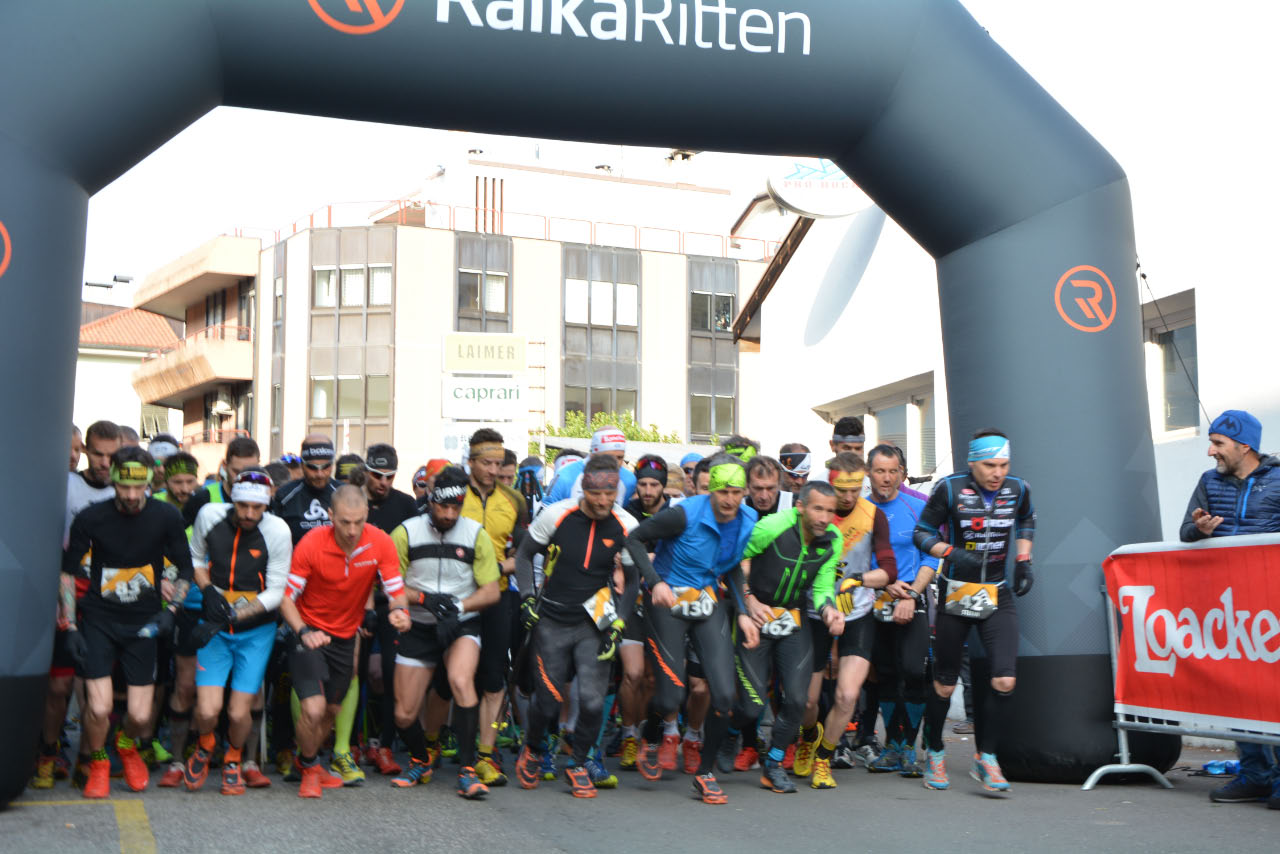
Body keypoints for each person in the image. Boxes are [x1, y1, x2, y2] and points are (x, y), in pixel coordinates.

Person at [61, 446, 193, 798]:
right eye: (124, 487)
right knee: (99, 707)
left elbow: (186, 568)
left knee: (139, 716)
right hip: (99, 619)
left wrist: (172, 610)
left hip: (144, 623)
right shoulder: (91, 518)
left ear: (150, 481)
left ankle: (126, 744)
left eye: (139, 487)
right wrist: (69, 625)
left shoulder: (166, 516)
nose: (132, 496)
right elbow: (67, 572)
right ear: (113, 481)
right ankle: (99, 762)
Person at [514, 455, 647, 797]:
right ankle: (534, 748)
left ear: (618, 490)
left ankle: (577, 764)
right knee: (548, 700)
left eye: (610, 493)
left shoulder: (626, 524)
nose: (602, 501)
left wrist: (619, 623)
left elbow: (633, 580)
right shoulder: (557, 515)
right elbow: (524, 555)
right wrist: (527, 598)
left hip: (594, 619)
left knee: (591, 702)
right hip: (552, 618)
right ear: (583, 489)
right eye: (595, 493)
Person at [628, 453, 757, 805]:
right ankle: (652, 734)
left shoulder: (747, 518)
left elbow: (731, 566)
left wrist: (743, 612)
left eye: (736, 492)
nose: (730, 500)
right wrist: (655, 581)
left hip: (706, 601)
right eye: (723, 492)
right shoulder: (683, 514)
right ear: (710, 490)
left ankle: (705, 773)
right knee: (670, 696)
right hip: (669, 600)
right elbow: (634, 539)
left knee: (724, 695)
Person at [914, 429, 1035, 793]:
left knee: (1005, 680)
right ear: (972, 463)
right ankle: (935, 750)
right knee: (945, 683)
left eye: (1004, 465)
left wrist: (1024, 559)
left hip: (997, 592)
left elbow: (1027, 519)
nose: (998, 473)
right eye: (989, 465)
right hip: (957, 593)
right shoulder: (950, 489)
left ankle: (987, 757)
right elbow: (922, 533)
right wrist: (951, 553)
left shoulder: (1018, 488)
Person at [279, 485, 410, 798]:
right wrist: (303, 631)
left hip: (345, 636)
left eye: (358, 522)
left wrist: (400, 612)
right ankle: (311, 768)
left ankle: (306, 761)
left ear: (367, 515)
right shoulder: (312, 543)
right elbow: (286, 598)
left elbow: (395, 590)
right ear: (330, 516)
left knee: (330, 711)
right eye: (344, 522)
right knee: (313, 709)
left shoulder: (380, 542)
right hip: (309, 631)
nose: (352, 531)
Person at [1179, 410, 1280, 807]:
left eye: (1218, 443)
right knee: (1240, 689)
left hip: (1271, 603)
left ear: (1244, 446)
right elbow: (1186, 531)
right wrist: (1199, 529)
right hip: (1230, 607)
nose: (1210, 451)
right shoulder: (1208, 482)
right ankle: (1255, 774)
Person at [421, 429, 528, 787]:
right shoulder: (453, 494)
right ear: (471, 462)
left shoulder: (514, 500)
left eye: (498, 463)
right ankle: (430, 746)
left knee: (494, 679)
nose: (493, 470)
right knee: (444, 680)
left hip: (496, 596)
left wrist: (497, 567)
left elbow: (523, 553)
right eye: (486, 463)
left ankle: (485, 754)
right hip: (455, 596)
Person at [388, 466, 500, 798]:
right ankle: (421, 759)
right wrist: (423, 599)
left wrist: (458, 607)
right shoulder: (406, 533)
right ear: (430, 500)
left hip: (460, 623)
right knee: (403, 714)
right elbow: (391, 584)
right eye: (443, 507)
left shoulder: (475, 534)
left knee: (461, 681)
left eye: (456, 507)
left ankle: (467, 770)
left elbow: (491, 591)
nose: (449, 514)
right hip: (418, 623)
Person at [791, 452, 897, 789]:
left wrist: (858, 580)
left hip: (856, 613)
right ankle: (809, 735)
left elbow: (889, 570)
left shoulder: (873, 515)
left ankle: (824, 757)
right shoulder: (815, 513)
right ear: (830, 484)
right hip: (814, 613)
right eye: (842, 490)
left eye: (855, 489)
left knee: (847, 696)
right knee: (807, 701)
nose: (849, 497)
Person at [183, 469, 291, 795]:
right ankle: (205, 744)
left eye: (257, 508)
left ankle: (233, 758)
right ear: (231, 497)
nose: (249, 514)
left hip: (255, 632)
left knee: (238, 711)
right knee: (207, 710)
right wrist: (208, 591)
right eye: (243, 505)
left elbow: (276, 591)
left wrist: (232, 615)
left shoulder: (277, 530)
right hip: (214, 628)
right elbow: (195, 557)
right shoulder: (209, 515)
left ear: (267, 504)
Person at [733, 482, 844, 793]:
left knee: (798, 700)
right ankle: (729, 731)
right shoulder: (772, 527)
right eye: (818, 509)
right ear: (800, 507)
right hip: (756, 615)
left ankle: (773, 765)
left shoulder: (833, 540)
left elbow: (822, 588)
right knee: (752, 705)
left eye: (830, 511)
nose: (824, 518)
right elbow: (734, 561)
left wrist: (829, 611)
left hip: (793, 618)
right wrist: (749, 599)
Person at [35, 421, 122, 791]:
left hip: (107, 599)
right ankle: (48, 752)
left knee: (94, 687)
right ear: (86, 451)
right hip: (67, 591)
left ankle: (89, 758)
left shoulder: (127, 490)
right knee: (59, 686)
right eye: (98, 454)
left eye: (112, 456)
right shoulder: (66, 485)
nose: (104, 462)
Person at [865, 444, 939, 777]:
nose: (886, 478)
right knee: (884, 674)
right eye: (880, 471)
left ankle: (909, 746)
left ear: (902, 474)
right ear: (869, 473)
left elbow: (931, 557)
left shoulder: (918, 507)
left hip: (912, 595)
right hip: (873, 597)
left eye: (893, 471)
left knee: (912, 671)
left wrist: (911, 594)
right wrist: (883, 585)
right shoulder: (860, 510)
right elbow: (852, 559)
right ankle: (891, 746)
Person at [360, 443, 420, 777]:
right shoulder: (351, 500)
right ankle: (353, 744)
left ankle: (383, 744)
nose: (383, 482)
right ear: (366, 471)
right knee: (355, 674)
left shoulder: (406, 505)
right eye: (377, 475)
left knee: (388, 673)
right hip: (354, 599)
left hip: (391, 600)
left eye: (389, 476)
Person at [546, 427, 637, 507]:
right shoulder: (566, 476)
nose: (615, 463)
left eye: (620, 457)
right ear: (593, 454)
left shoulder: (629, 480)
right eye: (609, 457)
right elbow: (546, 513)